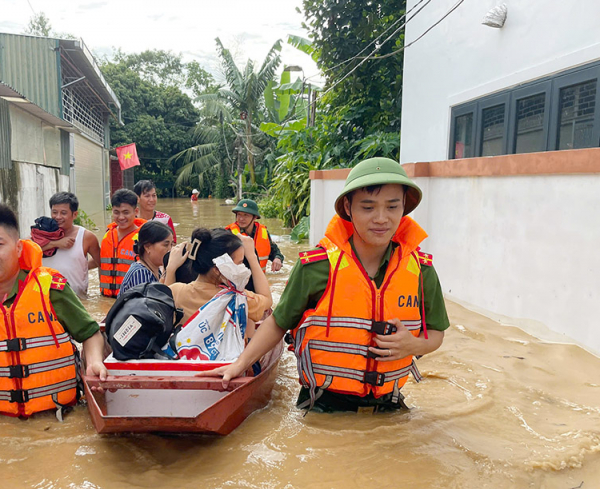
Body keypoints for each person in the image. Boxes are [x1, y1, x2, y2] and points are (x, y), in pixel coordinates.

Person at [201, 157, 449, 413]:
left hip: (390, 406)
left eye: (392, 207)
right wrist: (238, 365)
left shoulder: (422, 270)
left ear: (404, 208)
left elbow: (436, 332)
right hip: (323, 406)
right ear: (348, 207)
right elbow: (278, 322)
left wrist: (416, 346)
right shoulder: (316, 266)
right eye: (368, 207)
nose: (381, 218)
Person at [0, 202, 108, 418]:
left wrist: (94, 362)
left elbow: (90, 332)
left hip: (59, 417)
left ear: (18, 247)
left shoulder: (51, 290)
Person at [165, 228, 272, 335]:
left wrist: (170, 270)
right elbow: (267, 300)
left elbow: (163, 301)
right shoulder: (239, 299)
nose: (242, 268)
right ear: (217, 269)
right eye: (239, 263)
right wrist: (252, 257)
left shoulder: (176, 291)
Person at [36, 192, 100, 299]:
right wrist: (54, 244)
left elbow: (101, 263)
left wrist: (82, 267)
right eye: (54, 212)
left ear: (74, 215)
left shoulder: (86, 237)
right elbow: (25, 250)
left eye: (63, 213)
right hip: (46, 298)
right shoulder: (40, 233)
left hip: (76, 300)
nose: (58, 217)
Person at [100, 189, 146, 298]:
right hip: (105, 298)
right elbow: (100, 260)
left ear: (136, 212)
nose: (121, 217)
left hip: (132, 300)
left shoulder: (145, 237)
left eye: (126, 212)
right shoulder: (108, 235)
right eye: (116, 212)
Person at [226, 199, 284, 273]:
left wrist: (277, 258)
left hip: (259, 278)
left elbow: (274, 250)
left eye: (246, 215)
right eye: (239, 214)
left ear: (255, 217)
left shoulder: (263, 232)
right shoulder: (229, 233)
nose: (241, 218)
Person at [118, 220, 174, 295]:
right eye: (166, 245)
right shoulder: (140, 273)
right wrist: (171, 270)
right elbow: (150, 305)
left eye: (171, 244)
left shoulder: (157, 271)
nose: (170, 249)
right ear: (147, 247)